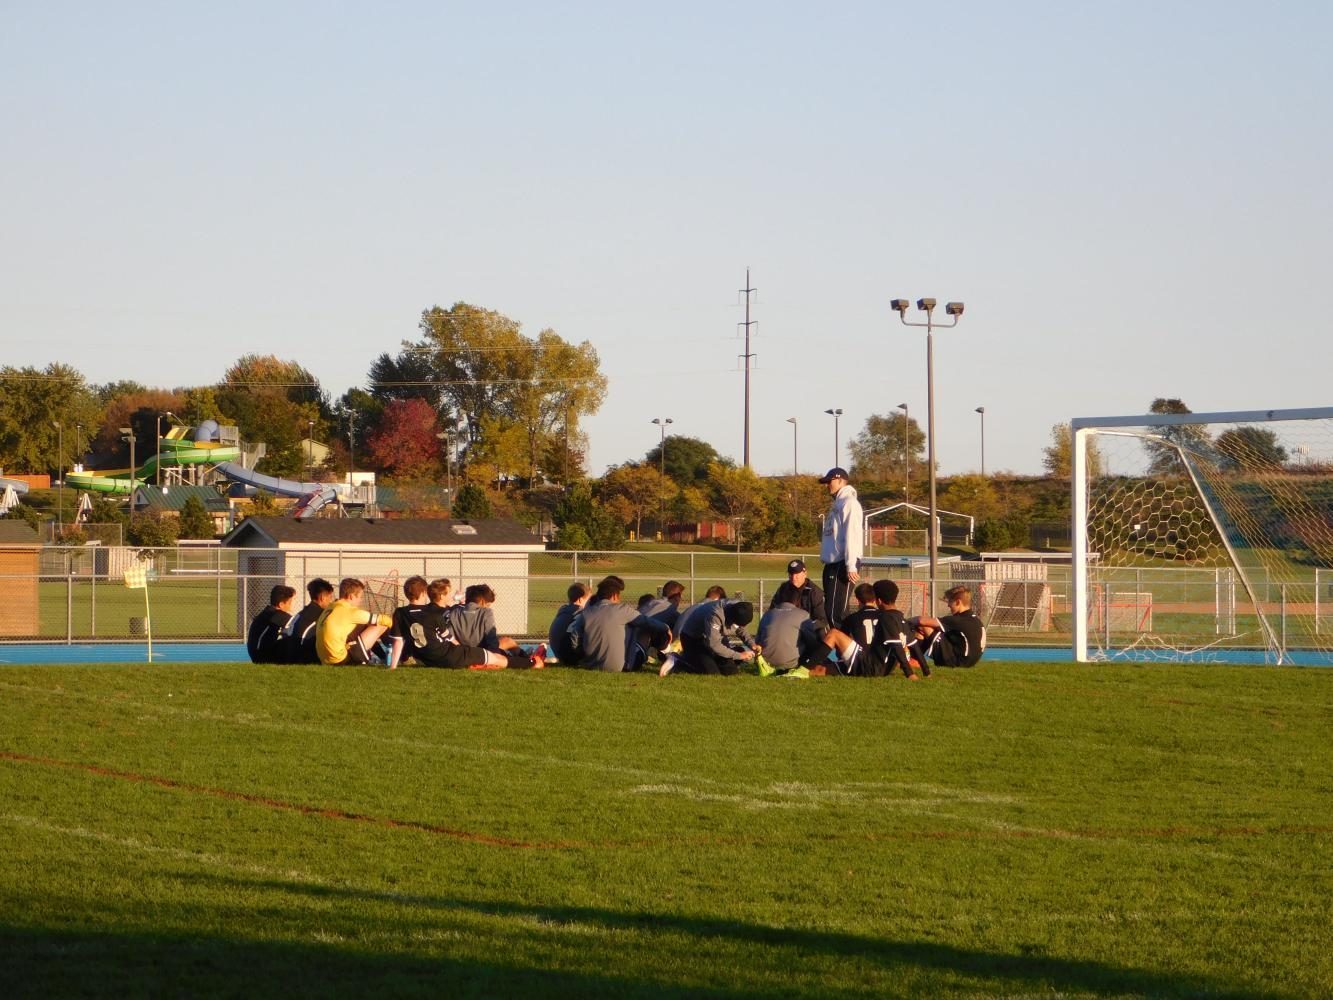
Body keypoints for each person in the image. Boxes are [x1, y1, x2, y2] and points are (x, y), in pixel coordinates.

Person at [389, 577, 518, 669]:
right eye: (448, 593)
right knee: (507, 642)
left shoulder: (407, 612)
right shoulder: (440, 614)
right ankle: (527, 658)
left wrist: (398, 662)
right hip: (453, 652)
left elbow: (400, 640)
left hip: (427, 653)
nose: (450, 596)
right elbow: (447, 635)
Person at [570, 575, 672, 673]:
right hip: (620, 666)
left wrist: (582, 654)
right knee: (642, 628)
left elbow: (575, 639)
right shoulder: (622, 610)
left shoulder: (586, 612)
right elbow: (647, 622)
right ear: (614, 596)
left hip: (590, 664)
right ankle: (665, 654)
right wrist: (666, 627)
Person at [822, 580, 918, 678]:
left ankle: (810, 665)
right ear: (875, 599)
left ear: (858, 600)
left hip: (860, 660)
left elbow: (840, 649)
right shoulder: (887, 617)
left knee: (821, 668)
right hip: (883, 663)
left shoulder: (852, 618)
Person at [451, 583, 545, 668]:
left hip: (461, 652)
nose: (488, 607)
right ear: (482, 601)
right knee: (508, 641)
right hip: (483, 653)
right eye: (488, 604)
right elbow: (491, 638)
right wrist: (496, 656)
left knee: (506, 642)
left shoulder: (453, 612)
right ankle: (529, 659)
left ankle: (524, 656)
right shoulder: (486, 612)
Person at [819, 467, 864, 625]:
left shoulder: (849, 503)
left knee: (836, 613)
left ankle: (850, 647)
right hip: (832, 564)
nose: (827, 485)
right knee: (830, 611)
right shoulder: (837, 504)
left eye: (829, 481)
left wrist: (851, 565)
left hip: (842, 562)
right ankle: (841, 646)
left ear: (840, 481)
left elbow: (852, 535)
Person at [315, 577, 394, 666]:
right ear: (351, 596)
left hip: (325, 660)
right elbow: (385, 619)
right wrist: (397, 632)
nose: (360, 601)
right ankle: (396, 656)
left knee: (364, 625)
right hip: (340, 660)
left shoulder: (331, 607)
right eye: (360, 597)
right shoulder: (349, 611)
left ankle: (384, 656)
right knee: (381, 625)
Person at [909, 585, 986, 669]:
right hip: (969, 662)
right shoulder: (975, 620)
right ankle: (913, 658)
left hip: (957, 660)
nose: (948, 605)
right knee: (936, 627)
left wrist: (903, 623)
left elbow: (921, 621)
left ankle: (914, 659)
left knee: (924, 626)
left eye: (950, 601)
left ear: (958, 602)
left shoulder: (958, 620)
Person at [674, 598, 756, 676]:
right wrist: (740, 655)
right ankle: (679, 660)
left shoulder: (740, 607)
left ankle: (713, 659)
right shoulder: (715, 615)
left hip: (714, 638)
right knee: (711, 672)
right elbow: (714, 644)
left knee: (730, 671)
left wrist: (752, 645)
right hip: (693, 639)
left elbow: (740, 628)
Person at [756, 582, 825, 672]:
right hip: (791, 664)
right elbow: (812, 642)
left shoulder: (768, 614)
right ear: (797, 599)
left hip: (765, 662)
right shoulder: (803, 615)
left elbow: (758, 642)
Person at [770, 559, 829, 635]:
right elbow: (772, 611)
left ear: (805, 573)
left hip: (808, 631)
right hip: (785, 628)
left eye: (797, 574)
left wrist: (804, 627)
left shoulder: (814, 592)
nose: (794, 577)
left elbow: (822, 620)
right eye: (791, 574)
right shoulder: (783, 589)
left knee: (821, 632)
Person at [283, 578, 334, 664]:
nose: (331, 601)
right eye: (330, 597)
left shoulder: (302, 613)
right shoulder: (321, 616)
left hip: (291, 656)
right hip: (305, 659)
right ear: (322, 597)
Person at [247, 585, 296, 663]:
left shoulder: (267, 613)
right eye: (289, 603)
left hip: (256, 654)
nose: (290, 607)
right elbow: (298, 622)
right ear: (281, 604)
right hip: (263, 656)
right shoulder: (277, 616)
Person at [547, 582, 590, 666]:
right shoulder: (581, 613)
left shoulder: (563, 611)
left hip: (559, 653)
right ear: (580, 599)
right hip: (572, 655)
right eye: (588, 600)